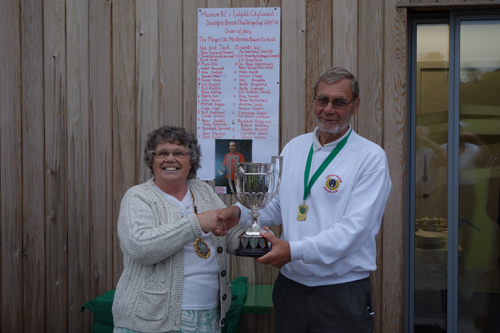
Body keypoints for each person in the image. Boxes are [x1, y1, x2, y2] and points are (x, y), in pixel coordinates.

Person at [222, 67, 392, 332]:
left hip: (341, 292)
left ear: (355, 106)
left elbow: (355, 230)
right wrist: (239, 213)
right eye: (322, 100)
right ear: (313, 101)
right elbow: (277, 205)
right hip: (291, 288)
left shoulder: (370, 157)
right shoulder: (295, 147)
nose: (328, 109)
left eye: (339, 102)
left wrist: (293, 251)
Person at [112, 126, 242, 333]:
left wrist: (252, 239)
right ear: (152, 160)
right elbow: (140, 247)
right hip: (150, 320)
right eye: (163, 153)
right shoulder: (138, 196)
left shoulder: (203, 190)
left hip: (208, 314)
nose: (170, 159)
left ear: (191, 161)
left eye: (179, 153)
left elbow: (227, 232)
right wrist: (196, 223)